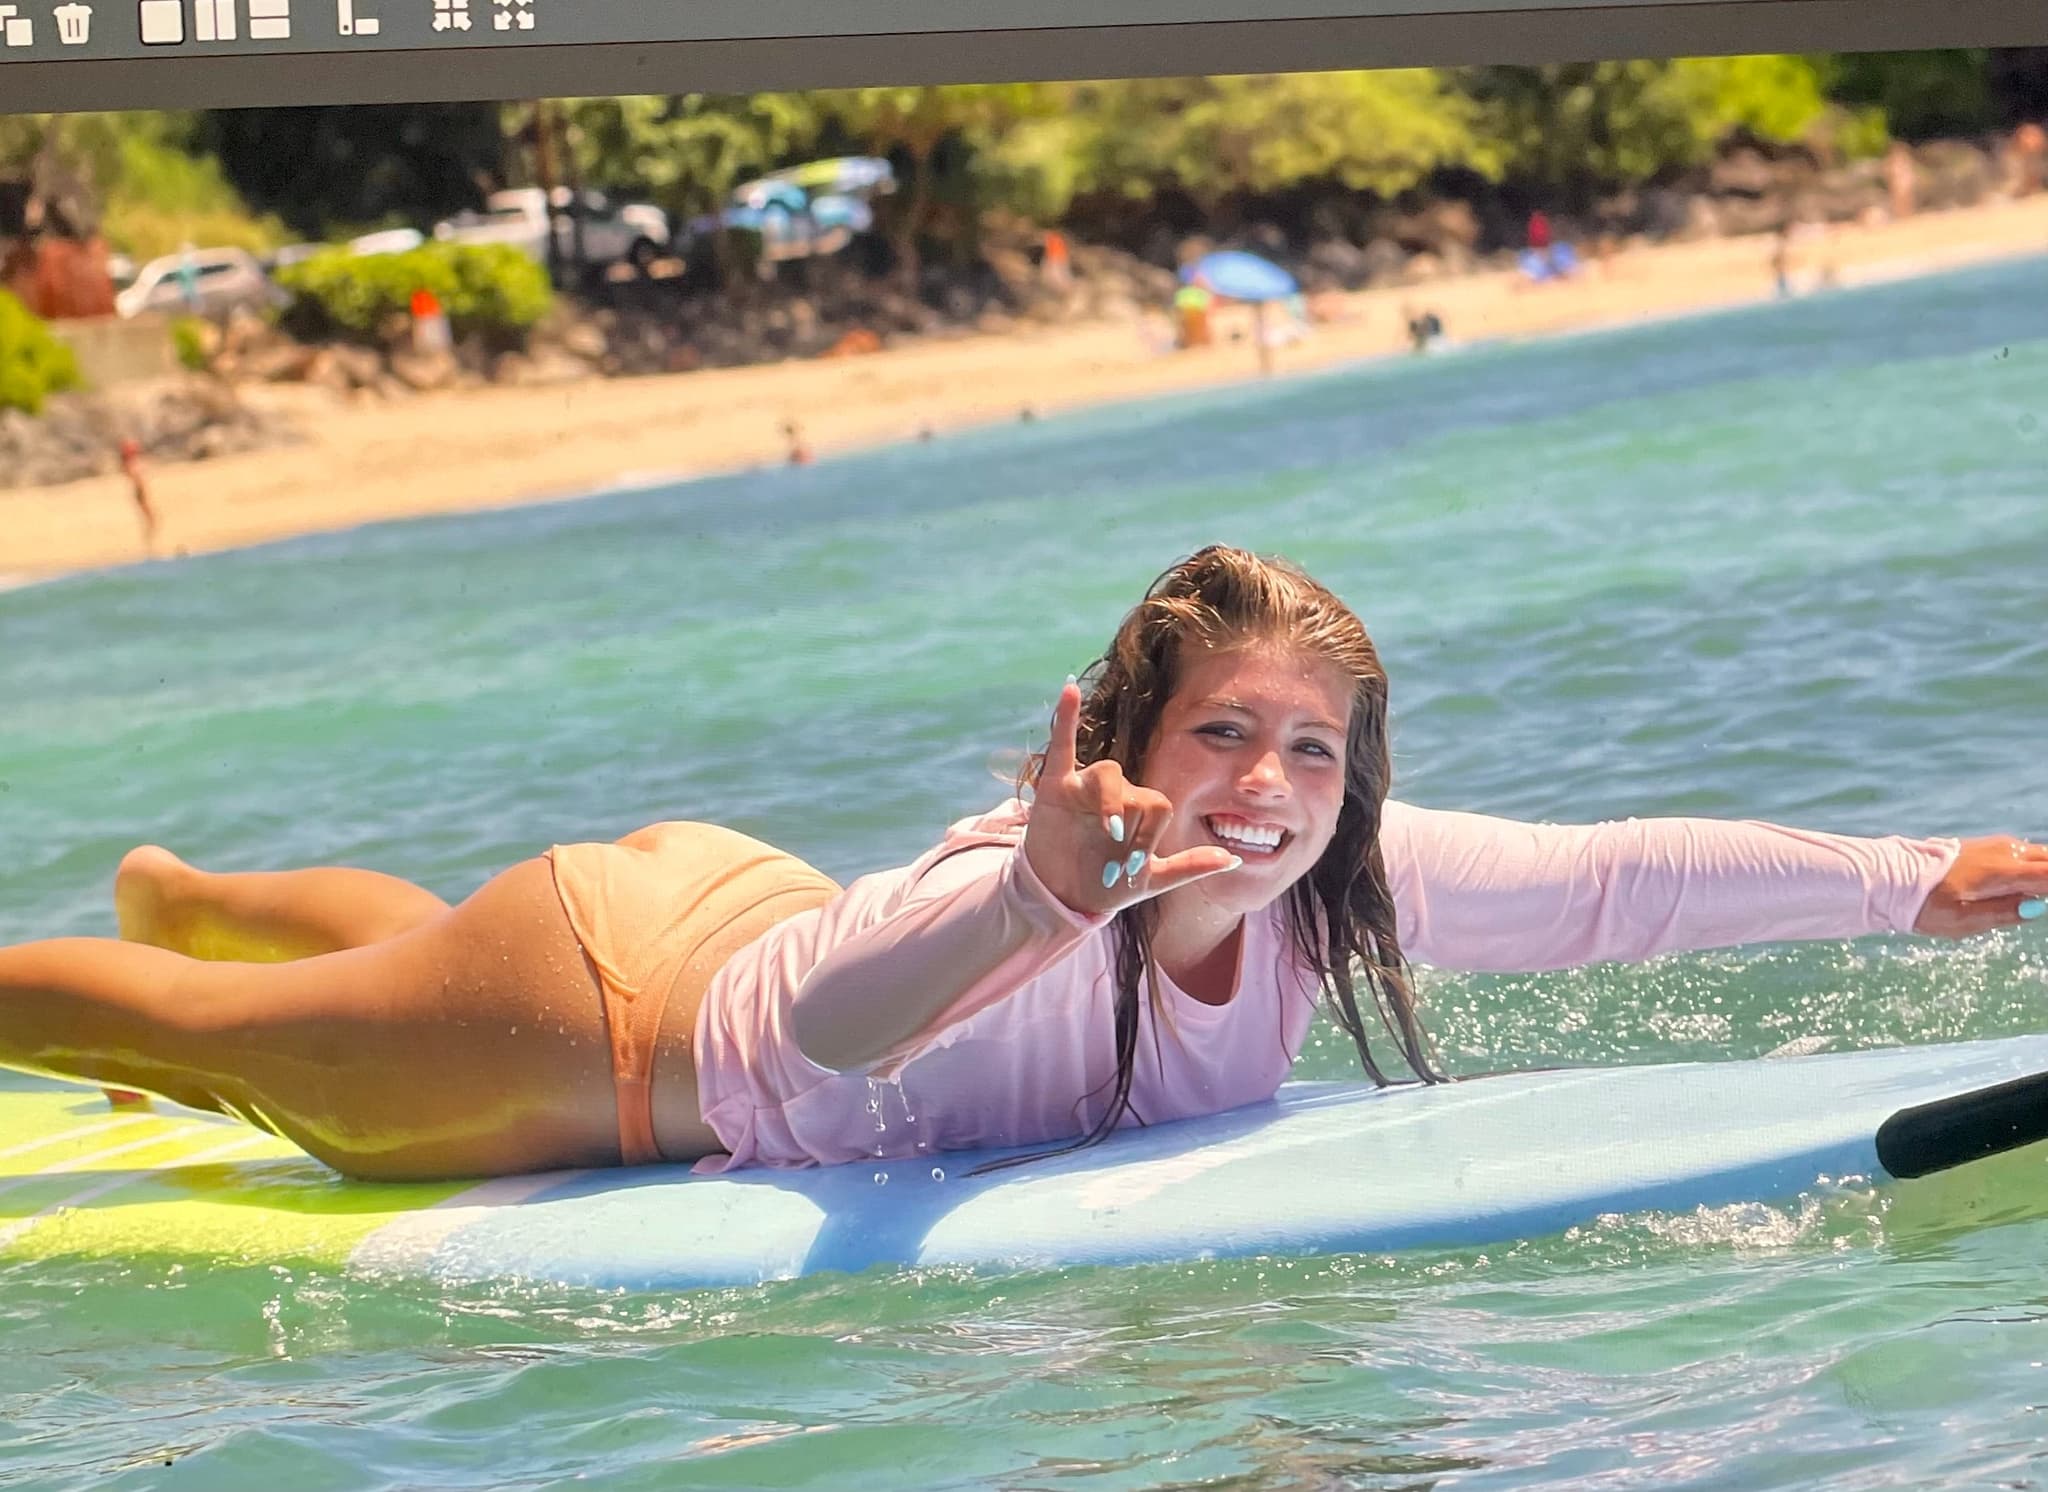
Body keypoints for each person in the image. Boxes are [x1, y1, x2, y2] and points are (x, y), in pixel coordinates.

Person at [3, 546, 2046, 1183]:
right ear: (1128, 746)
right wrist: (1047, 889)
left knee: (334, 957)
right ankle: (169, 932)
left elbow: (1610, 880)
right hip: (587, 1028)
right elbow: (830, 1019)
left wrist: (1905, 875)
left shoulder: (1329, 870)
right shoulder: (1043, 859)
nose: (1265, 780)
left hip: (713, 883)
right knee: (191, 1037)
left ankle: (194, 871)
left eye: (1310, 746)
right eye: (1220, 732)